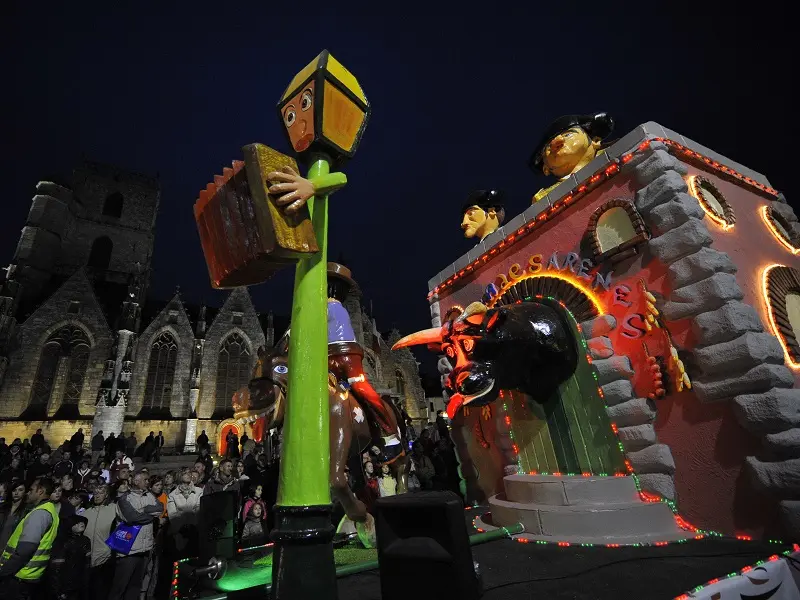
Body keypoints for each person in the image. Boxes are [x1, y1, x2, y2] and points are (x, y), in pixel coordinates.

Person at [528, 112, 615, 203]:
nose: (557, 142)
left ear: (595, 140)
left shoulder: (617, 154)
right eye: (549, 146)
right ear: (546, 168)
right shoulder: (544, 198)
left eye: (567, 135)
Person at [0, 477, 59, 600]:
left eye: (31, 490)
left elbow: (25, 550)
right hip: (28, 576)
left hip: (18, 577)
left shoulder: (40, 513)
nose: (28, 493)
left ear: (40, 491)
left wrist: (4, 571)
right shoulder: (50, 510)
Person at [108, 470, 163, 600]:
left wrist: (143, 510)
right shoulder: (124, 499)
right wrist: (150, 516)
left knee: (135, 587)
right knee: (120, 587)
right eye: (145, 480)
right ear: (136, 481)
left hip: (145, 549)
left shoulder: (149, 495)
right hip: (129, 551)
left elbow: (160, 508)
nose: (148, 482)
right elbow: (132, 517)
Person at [84, 482, 116, 600]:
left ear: (106, 495)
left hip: (105, 558)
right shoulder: (87, 512)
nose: (97, 496)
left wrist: (110, 550)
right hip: (87, 559)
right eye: (95, 493)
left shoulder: (114, 509)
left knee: (100, 592)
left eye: (101, 493)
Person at [46, 514, 90, 600]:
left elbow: (87, 564)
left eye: (83, 522)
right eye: (77, 522)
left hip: (79, 584)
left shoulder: (85, 540)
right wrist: (58, 590)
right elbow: (56, 569)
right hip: (65, 585)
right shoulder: (62, 542)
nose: (81, 524)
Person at [167, 468, 202, 556]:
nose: (189, 474)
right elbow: (173, 515)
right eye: (185, 473)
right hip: (180, 533)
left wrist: (192, 524)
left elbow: (199, 509)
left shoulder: (199, 491)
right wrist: (182, 526)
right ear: (180, 476)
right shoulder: (172, 495)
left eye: (189, 472)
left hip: (196, 530)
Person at [0, 480, 26, 551]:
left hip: (11, 549)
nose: (16, 493)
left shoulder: (25, 511)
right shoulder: (3, 508)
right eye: (14, 490)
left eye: (20, 490)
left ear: (25, 492)